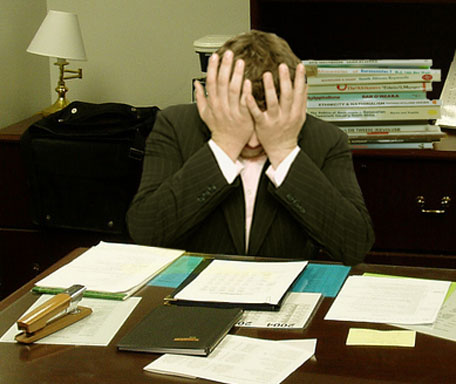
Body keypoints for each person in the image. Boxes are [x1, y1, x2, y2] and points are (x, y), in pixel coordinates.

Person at [126, 30, 374, 265]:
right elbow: (146, 232)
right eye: (241, 120)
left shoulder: (327, 139)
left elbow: (354, 247)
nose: (254, 142)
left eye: (265, 122)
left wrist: (284, 152)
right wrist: (223, 147)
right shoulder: (175, 126)